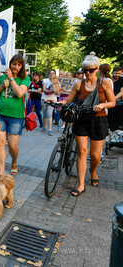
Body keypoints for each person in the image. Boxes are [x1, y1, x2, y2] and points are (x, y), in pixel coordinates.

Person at [54, 53, 116, 196]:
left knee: (95, 156)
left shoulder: (104, 83)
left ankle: (93, 171)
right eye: (85, 70)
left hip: (99, 120)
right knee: (82, 152)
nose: (88, 73)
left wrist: (102, 105)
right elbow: (69, 100)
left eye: (91, 70)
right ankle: (81, 184)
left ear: (97, 69)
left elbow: (112, 102)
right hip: (81, 120)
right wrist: (58, 103)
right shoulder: (78, 84)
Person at [0, 54, 30, 175]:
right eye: (14, 64)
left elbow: (19, 93)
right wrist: (3, 85)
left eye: (19, 65)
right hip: (0, 115)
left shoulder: (25, 79)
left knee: (12, 146)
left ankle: (14, 160)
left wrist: (12, 79)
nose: (16, 66)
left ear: (22, 67)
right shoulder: (2, 77)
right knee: (1, 143)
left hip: (16, 116)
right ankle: (1, 171)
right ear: (10, 64)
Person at [41, 69, 60, 136]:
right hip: (44, 99)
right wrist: (52, 90)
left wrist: (57, 91)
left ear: (55, 75)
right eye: (50, 73)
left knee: (49, 113)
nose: (51, 74)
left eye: (53, 73)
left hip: (52, 99)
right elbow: (44, 90)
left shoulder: (57, 82)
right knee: (44, 113)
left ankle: (50, 129)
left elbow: (58, 93)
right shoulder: (45, 80)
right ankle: (44, 127)